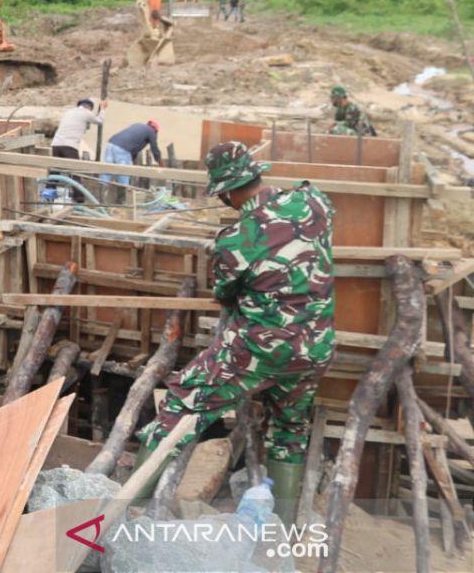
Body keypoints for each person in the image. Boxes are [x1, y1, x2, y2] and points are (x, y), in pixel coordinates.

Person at [134, 141, 335, 523]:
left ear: (225, 192)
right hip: (316, 348)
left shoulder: (234, 240)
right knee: (290, 431)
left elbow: (226, 295)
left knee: (179, 402)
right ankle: (283, 534)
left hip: (258, 350)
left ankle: (129, 508)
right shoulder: (314, 202)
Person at [100, 120, 163, 194]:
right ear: (155, 130)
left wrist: (133, 160)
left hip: (111, 144)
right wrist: (160, 164)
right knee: (123, 172)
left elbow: (134, 146)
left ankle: (101, 194)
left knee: (107, 170)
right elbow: (155, 148)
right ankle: (122, 198)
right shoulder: (151, 131)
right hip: (122, 149)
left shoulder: (138, 125)